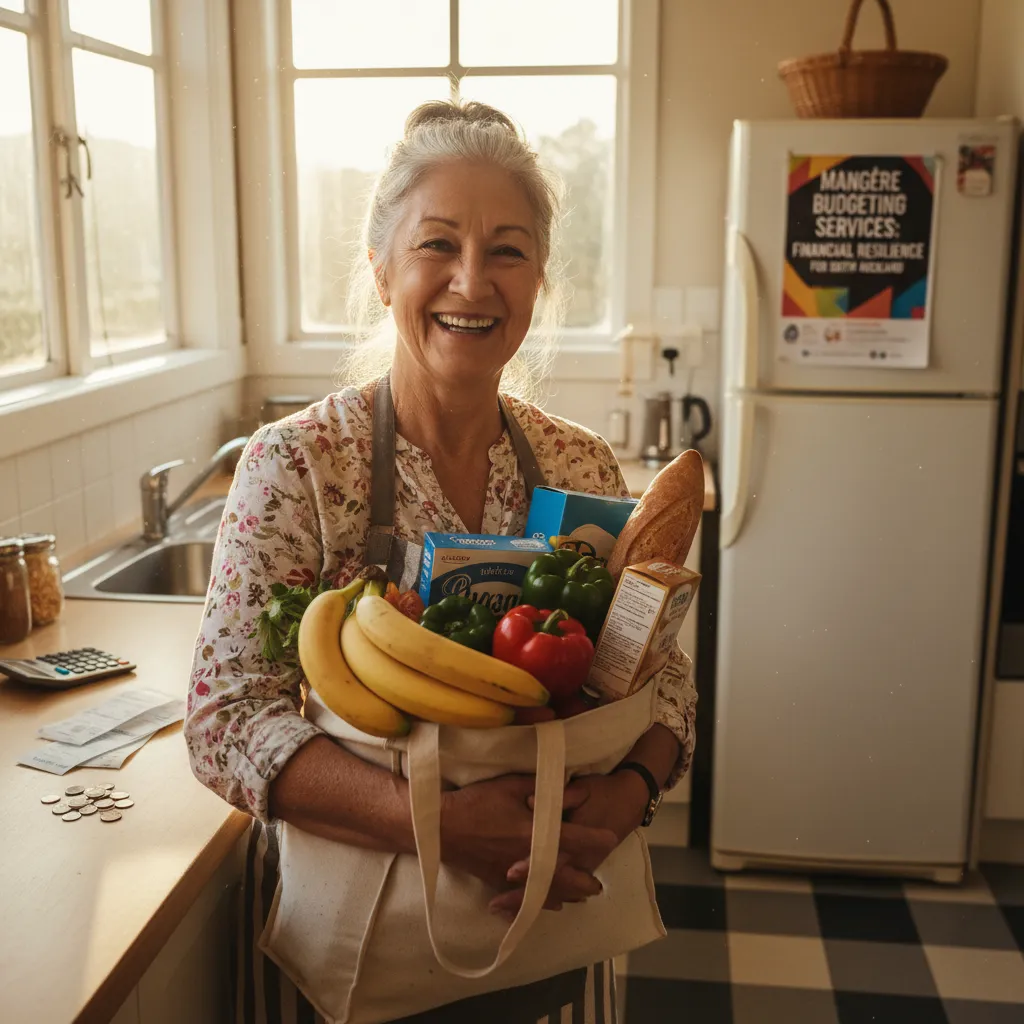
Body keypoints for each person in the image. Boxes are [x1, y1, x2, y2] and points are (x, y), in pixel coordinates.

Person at [185, 99, 697, 1024]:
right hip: (364, 942)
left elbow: (663, 686)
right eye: (437, 246)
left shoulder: (583, 467)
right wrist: (438, 823)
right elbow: (225, 721)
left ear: (539, 280)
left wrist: (625, 798)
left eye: (508, 250)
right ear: (381, 272)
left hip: (556, 919)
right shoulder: (298, 463)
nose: (473, 281)